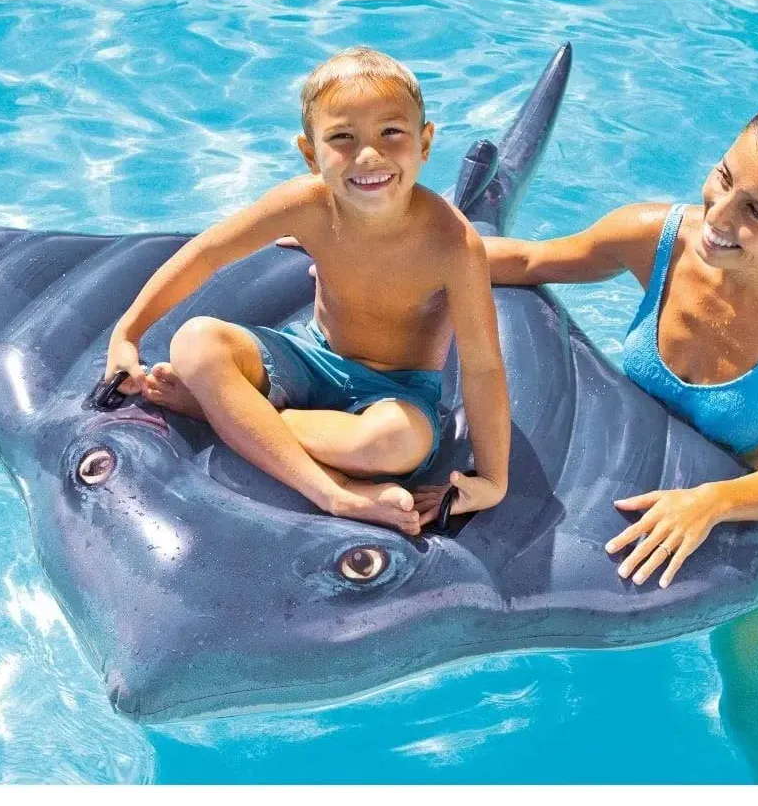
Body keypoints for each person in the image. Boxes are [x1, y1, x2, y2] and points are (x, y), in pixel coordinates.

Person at [430, 101, 758, 781]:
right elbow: (525, 260)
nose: (719, 215)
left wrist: (709, 503)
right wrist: (368, 244)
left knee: (752, 701)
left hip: (733, 528)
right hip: (609, 497)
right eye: (724, 177)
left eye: (755, 211)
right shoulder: (656, 237)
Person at [103, 46, 509, 537]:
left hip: (396, 392)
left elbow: (482, 366)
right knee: (194, 341)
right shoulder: (306, 203)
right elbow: (207, 254)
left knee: (395, 445)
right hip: (309, 358)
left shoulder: (453, 243)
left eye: (391, 132)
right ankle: (334, 490)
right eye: (342, 137)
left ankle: (229, 412)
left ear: (425, 142)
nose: (369, 155)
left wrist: (493, 480)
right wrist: (127, 333)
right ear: (311, 154)